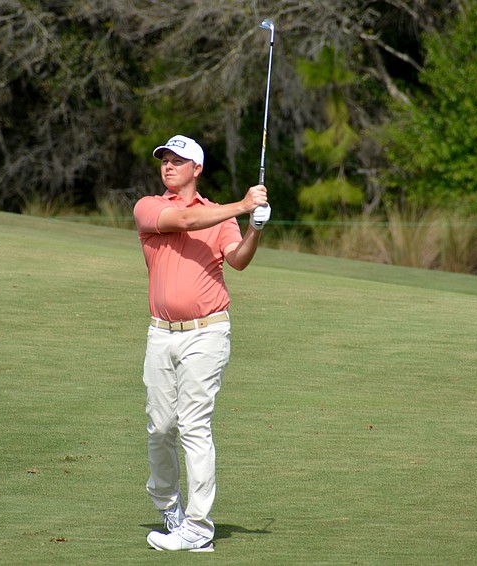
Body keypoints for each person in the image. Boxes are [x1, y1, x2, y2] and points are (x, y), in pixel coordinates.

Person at [133, 135, 271, 552]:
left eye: (179, 160)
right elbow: (186, 223)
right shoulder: (149, 206)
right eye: (165, 160)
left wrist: (254, 228)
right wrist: (245, 205)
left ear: (197, 169)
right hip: (161, 333)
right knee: (160, 427)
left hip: (208, 332)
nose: (169, 166)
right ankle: (170, 508)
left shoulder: (219, 215)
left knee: (194, 424)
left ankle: (197, 524)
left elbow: (238, 259)